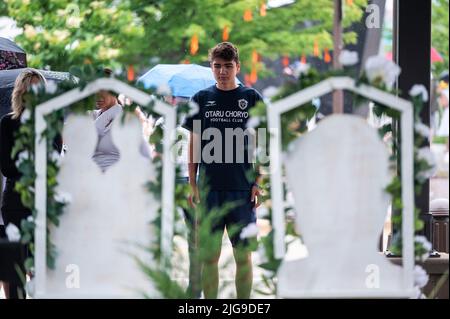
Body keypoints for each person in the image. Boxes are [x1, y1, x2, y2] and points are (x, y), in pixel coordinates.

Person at [182, 42, 263, 299]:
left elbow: (261, 143)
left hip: (241, 189)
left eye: (228, 66)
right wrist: (193, 185)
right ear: (211, 67)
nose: (222, 71)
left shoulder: (251, 98)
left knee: (243, 257)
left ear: (237, 66)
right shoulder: (201, 99)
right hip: (209, 190)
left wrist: (258, 181)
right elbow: (193, 145)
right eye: (217, 66)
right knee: (209, 257)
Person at [0, 68, 56, 298]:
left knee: (43, 269)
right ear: (21, 92)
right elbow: (7, 167)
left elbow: (54, 163)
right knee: (16, 269)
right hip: (15, 201)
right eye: (29, 88)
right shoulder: (8, 123)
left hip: (43, 203)